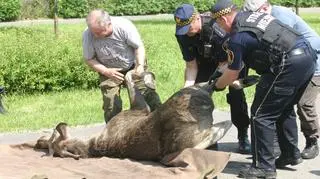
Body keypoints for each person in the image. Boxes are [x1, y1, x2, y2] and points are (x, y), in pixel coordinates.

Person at [211, 0, 317, 177]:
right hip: (307, 56)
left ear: (223, 19)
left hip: (288, 62)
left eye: (219, 23)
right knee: (283, 108)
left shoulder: (237, 37)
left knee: (261, 114)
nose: (220, 27)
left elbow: (232, 73)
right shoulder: (254, 16)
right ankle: (290, 154)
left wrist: (217, 85)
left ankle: (264, 167)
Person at [243, 0, 320, 160]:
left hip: (313, 65)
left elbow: (311, 42)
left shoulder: (280, 15)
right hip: (291, 67)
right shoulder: (266, 19)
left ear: (264, 7)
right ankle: (284, 149)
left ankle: (312, 141)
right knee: (283, 103)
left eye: (256, 14)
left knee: (304, 104)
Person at [174, 4, 251, 154]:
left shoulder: (218, 28)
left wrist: (220, 80)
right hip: (205, 62)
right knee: (194, 98)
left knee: (236, 94)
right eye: (183, 30)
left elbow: (232, 59)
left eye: (189, 28)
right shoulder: (182, 34)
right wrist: (187, 89)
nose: (187, 33)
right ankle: (200, 135)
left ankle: (242, 135)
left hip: (231, 62)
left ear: (197, 18)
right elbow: (191, 66)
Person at [82, 9, 161, 124]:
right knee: (111, 104)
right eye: (93, 32)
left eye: (99, 32)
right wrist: (106, 71)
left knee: (146, 94)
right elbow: (89, 59)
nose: (95, 35)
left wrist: (139, 67)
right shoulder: (88, 34)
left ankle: (160, 122)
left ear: (109, 24)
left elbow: (138, 47)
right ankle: (112, 133)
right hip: (108, 70)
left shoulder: (124, 26)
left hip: (133, 64)